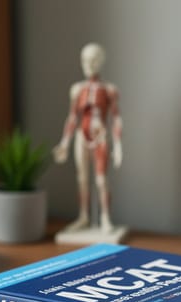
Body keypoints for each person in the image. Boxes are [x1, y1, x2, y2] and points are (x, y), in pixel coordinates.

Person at [53, 42, 123, 234]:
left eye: (93, 60)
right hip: (81, 137)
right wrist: (64, 144)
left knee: (101, 180)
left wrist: (118, 145)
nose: (89, 64)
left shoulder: (109, 90)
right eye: (85, 60)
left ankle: (105, 217)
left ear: (101, 61)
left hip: (100, 136)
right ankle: (84, 216)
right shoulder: (77, 89)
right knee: (82, 178)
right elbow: (73, 117)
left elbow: (116, 118)